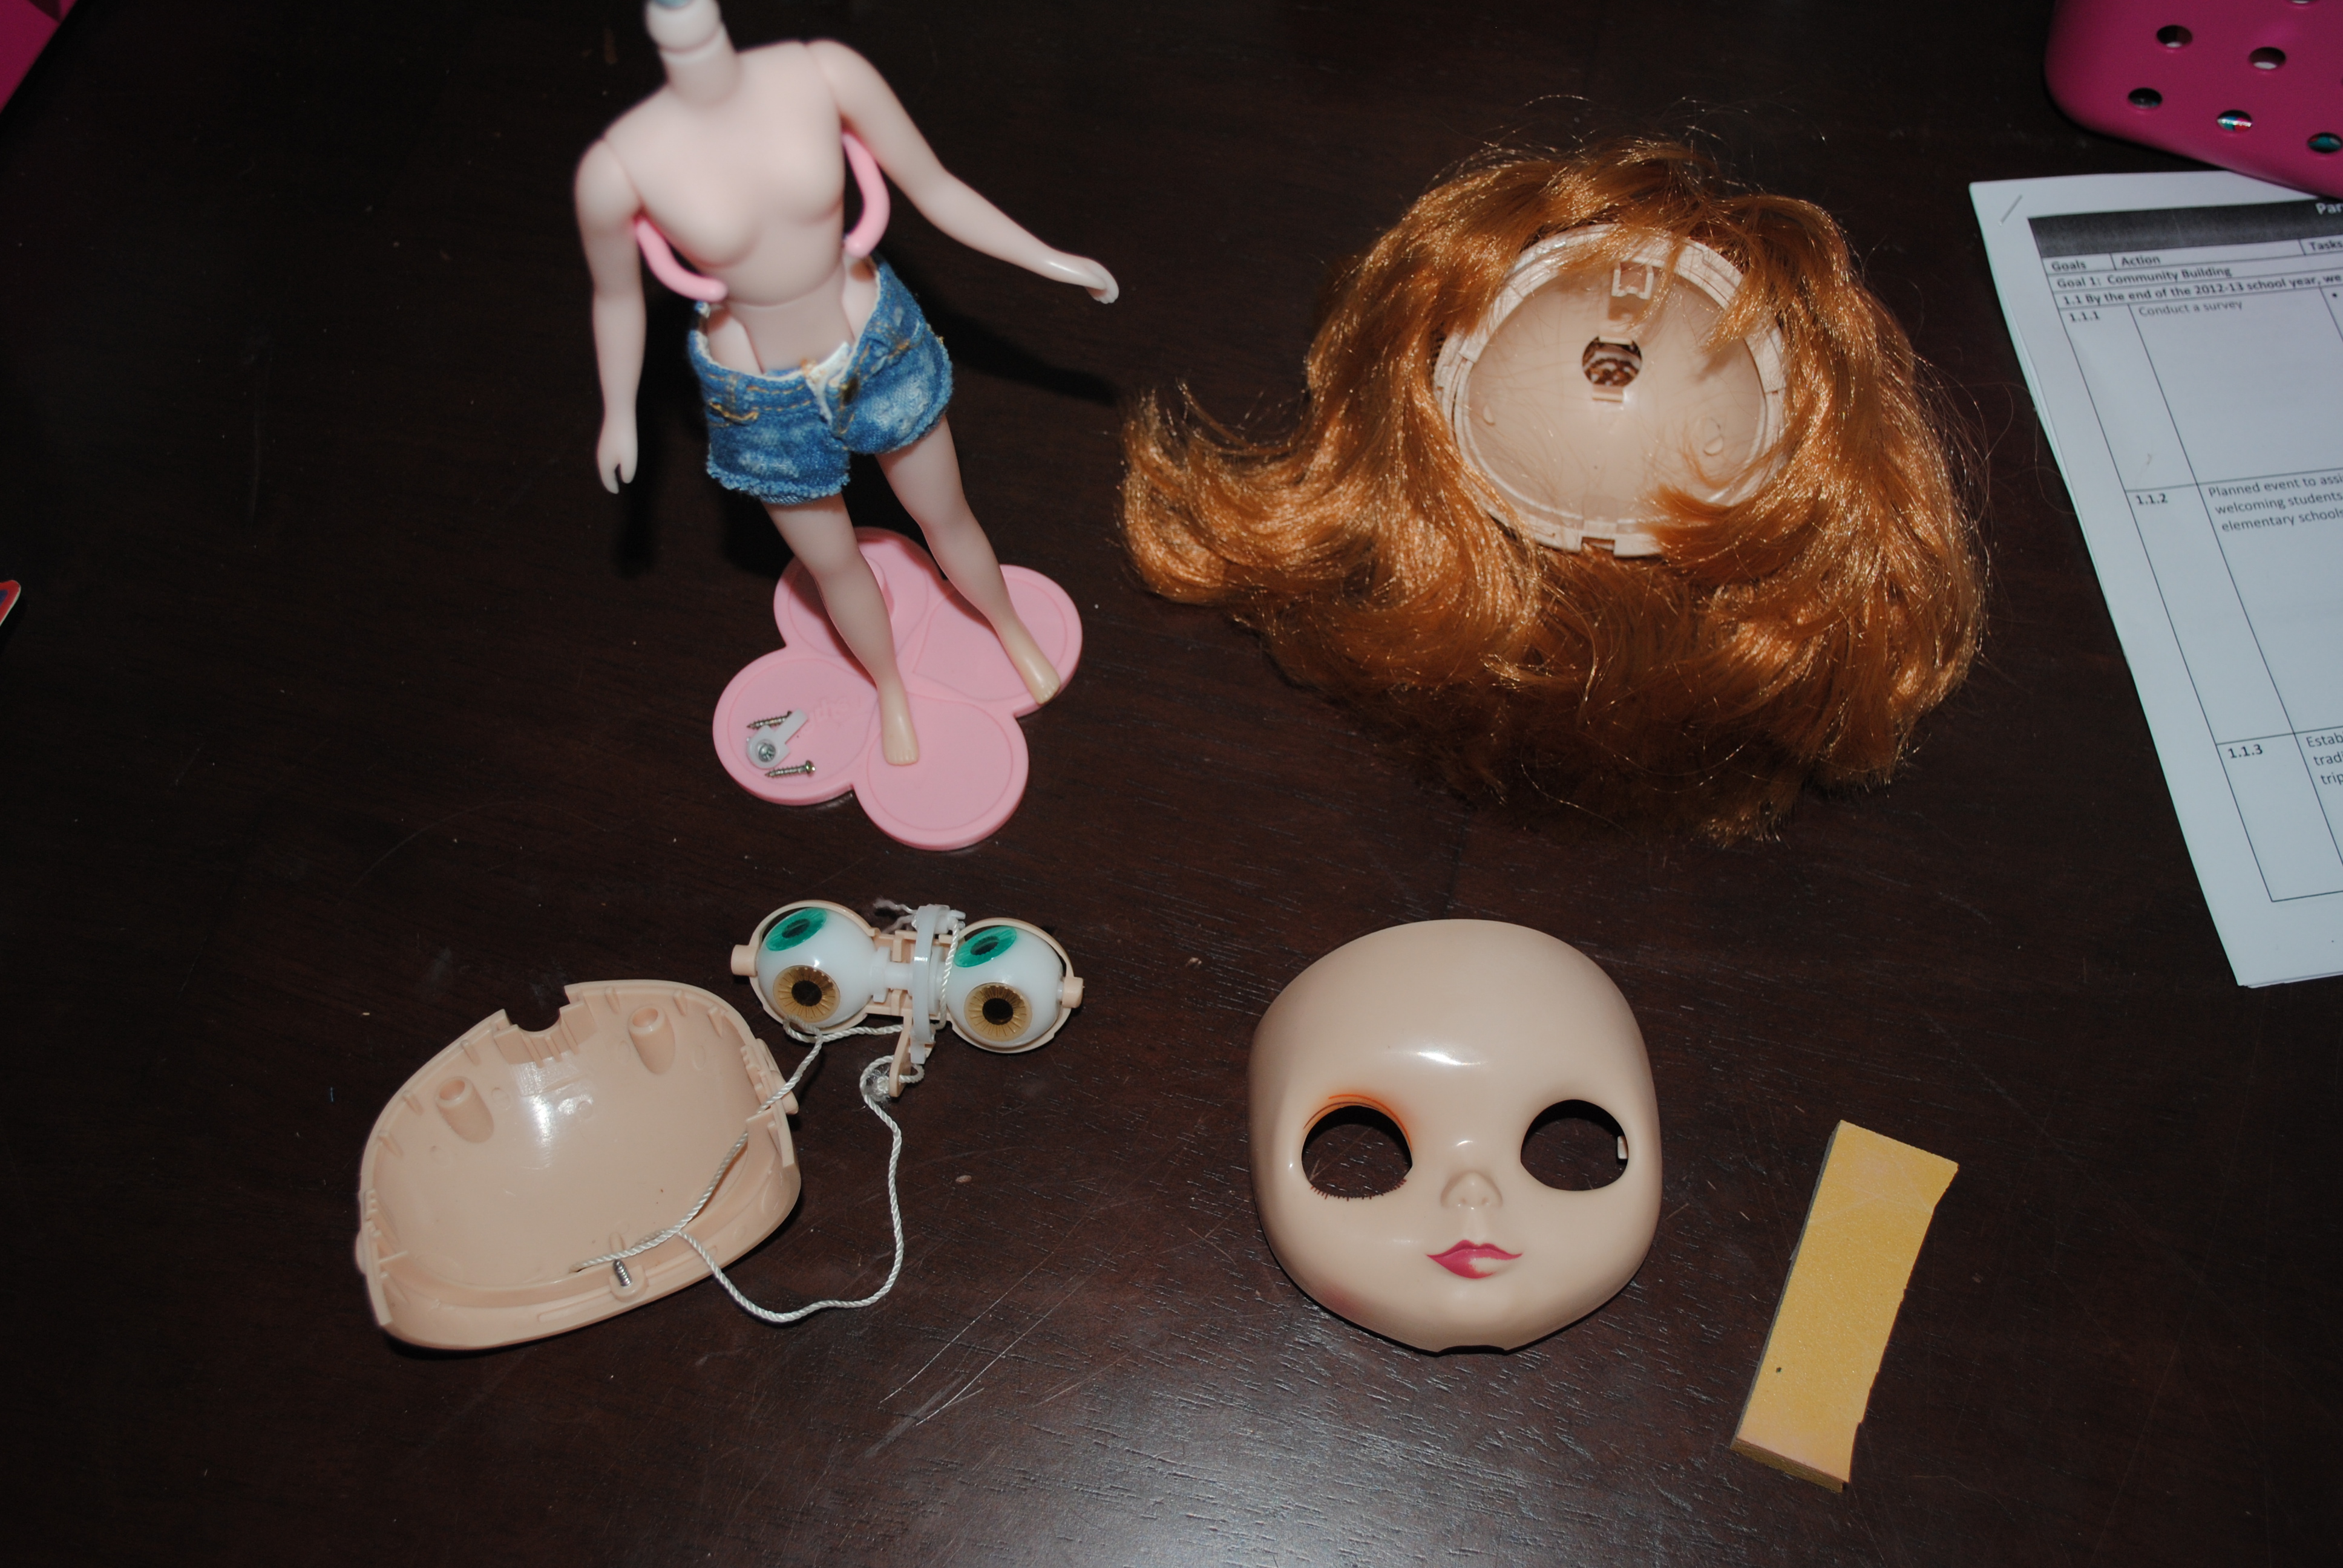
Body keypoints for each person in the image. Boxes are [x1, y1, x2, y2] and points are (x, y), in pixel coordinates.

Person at [578, 0, 1116, 764]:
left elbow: (934, 186)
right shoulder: (617, 167)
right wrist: (618, 414)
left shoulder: (823, 73)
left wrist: (1048, 259)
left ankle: (1007, 625)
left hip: (875, 350)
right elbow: (615, 299)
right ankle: (890, 687)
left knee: (945, 515)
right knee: (833, 564)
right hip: (760, 400)